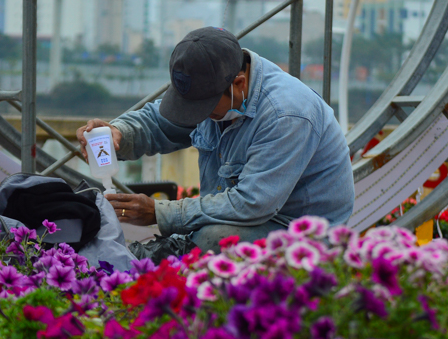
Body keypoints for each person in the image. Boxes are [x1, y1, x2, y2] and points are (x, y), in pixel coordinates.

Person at [77, 26, 355, 252]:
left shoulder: (287, 114)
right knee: (204, 238)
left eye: (203, 108)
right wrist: (120, 133)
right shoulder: (213, 87)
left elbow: (252, 204)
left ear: (239, 84)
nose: (199, 116)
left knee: (215, 238)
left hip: (302, 238)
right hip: (245, 222)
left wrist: (160, 212)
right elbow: (159, 123)